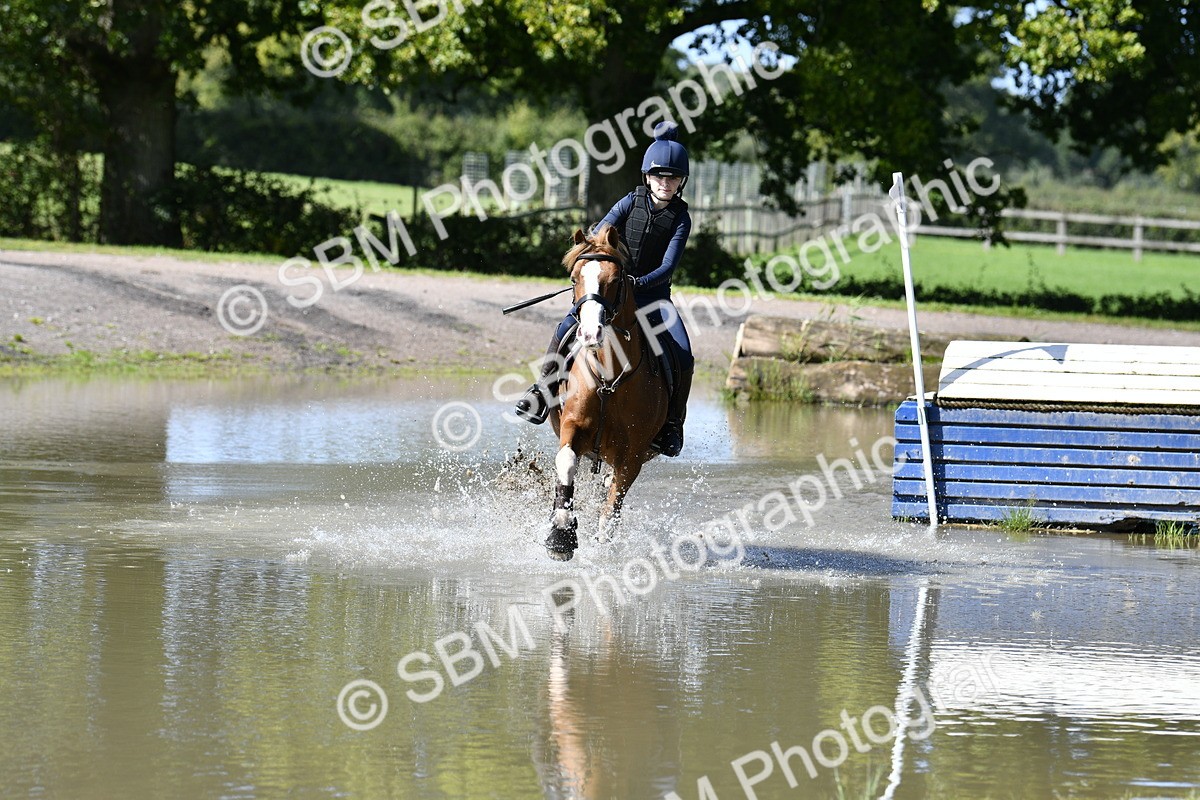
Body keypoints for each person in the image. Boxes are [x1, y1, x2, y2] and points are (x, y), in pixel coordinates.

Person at [514, 121, 695, 458]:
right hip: (611, 291)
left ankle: (672, 423)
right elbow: (599, 232)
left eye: (672, 178)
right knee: (567, 326)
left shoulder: (681, 218)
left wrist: (638, 283)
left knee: (684, 354)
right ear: (647, 177)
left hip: (653, 297)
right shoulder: (630, 201)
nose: (665, 183)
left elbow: (668, 266)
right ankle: (541, 391)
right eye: (659, 176)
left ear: (681, 181)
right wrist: (599, 272)